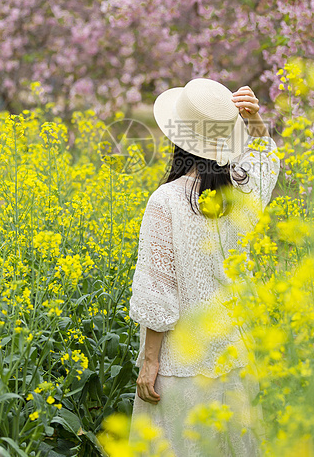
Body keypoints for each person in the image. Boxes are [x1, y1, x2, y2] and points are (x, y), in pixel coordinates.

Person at [128, 78, 280, 456]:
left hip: (181, 365)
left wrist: (149, 363)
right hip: (234, 356)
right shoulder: (245, 191)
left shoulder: (166, 201)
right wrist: (255, 121)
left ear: (178, 137)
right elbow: (265, 158)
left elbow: (158, 291)